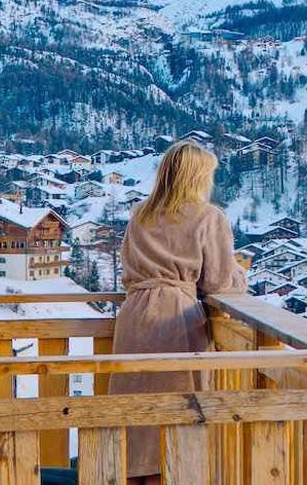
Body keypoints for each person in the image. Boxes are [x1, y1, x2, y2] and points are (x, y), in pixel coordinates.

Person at [110, 139, 244, 482]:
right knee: (177, 411)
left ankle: (130, 474)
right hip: (175, 319)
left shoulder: (141, 213)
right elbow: (218, 283)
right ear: (199, 177)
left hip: (134, 317)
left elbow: (127, 270)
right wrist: (240, 273)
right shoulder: (208, 216)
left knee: (135, 413)